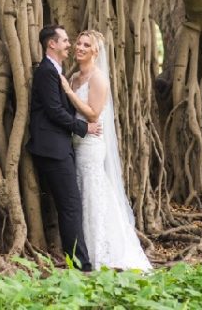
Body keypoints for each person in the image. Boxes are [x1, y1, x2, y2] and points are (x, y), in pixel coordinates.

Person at [59, 29, 152, 270]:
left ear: (95, 51)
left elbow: (93, 113)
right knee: (80, 194)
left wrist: (69, 92)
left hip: (90, 145)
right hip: (75, 142)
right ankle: (82, 248)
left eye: (86, 45)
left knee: (92, 192)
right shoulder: (75, 76)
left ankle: (101, 250)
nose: (79, 48)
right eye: (78, 43)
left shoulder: (97, 78)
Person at [27, 24, 102, 271]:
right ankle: (81, 265)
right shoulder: (47, 72)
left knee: (69, 205)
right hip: (52, 148)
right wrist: (83, 128)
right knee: (70, 205)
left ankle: (78, 260)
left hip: (60, 147)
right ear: (52, 44)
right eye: (66, 41)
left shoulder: (58, 72)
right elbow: (54, 111)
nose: (70, 45)